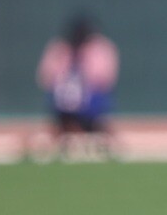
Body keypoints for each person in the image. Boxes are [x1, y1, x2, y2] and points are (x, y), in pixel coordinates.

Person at [35, 14, 119, 158]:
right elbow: (46, 77)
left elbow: (104, 78)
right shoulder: (60, 48)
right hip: (63, 102)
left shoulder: (99, 48)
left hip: (91, 101)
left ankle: (95, 133)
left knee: (96, 110)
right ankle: (65, 131)